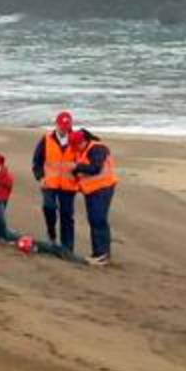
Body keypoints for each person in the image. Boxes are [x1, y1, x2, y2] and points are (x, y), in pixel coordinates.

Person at [32, 111, 78, 251]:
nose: (65, 129)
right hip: (49, 182)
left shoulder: (75, 139)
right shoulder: (46, 139)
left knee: (67, 215)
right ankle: (51, 233)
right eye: (62, 126)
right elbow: (37, 161)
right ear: (56, 125)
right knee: (49, 207)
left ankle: (67, 246)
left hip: (68, 184)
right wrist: (40, 177)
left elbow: (81, 160)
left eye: (67, 126)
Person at [70, 128, 117, 266]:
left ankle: (103, 254)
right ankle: (98, 253)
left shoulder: (97, 149)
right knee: (94, 220)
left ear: (83, 141)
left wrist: (77, 167)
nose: (75, 148)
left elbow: (95, 168)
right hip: (91, 190)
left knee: (99, 220)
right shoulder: (81, 150)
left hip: (103, 188)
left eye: (77, 145)